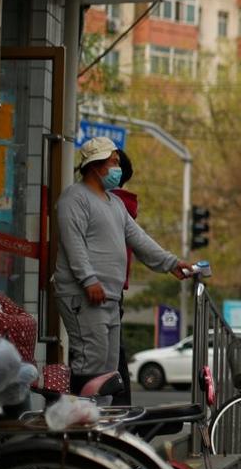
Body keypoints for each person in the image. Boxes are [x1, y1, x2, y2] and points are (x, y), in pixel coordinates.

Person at [53, 137, 191, 400]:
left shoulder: (115, 204)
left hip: (109, 295)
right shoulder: (74, 197)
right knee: (90, 361)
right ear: (95, 165)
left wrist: (171, 263)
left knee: (107, 370)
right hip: (83, 293)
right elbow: (74, 243)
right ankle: (77, 422)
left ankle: (99, 424)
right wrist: (89, 280)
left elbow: (139, 239)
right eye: (113, 162)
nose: (117, 168)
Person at [110, 149, 137, 406]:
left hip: (104, 288)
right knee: (113, 351)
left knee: (110, 352)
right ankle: (122, 406)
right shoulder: (122, 206)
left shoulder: (113, 206)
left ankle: (121, 408)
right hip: (112, 288)